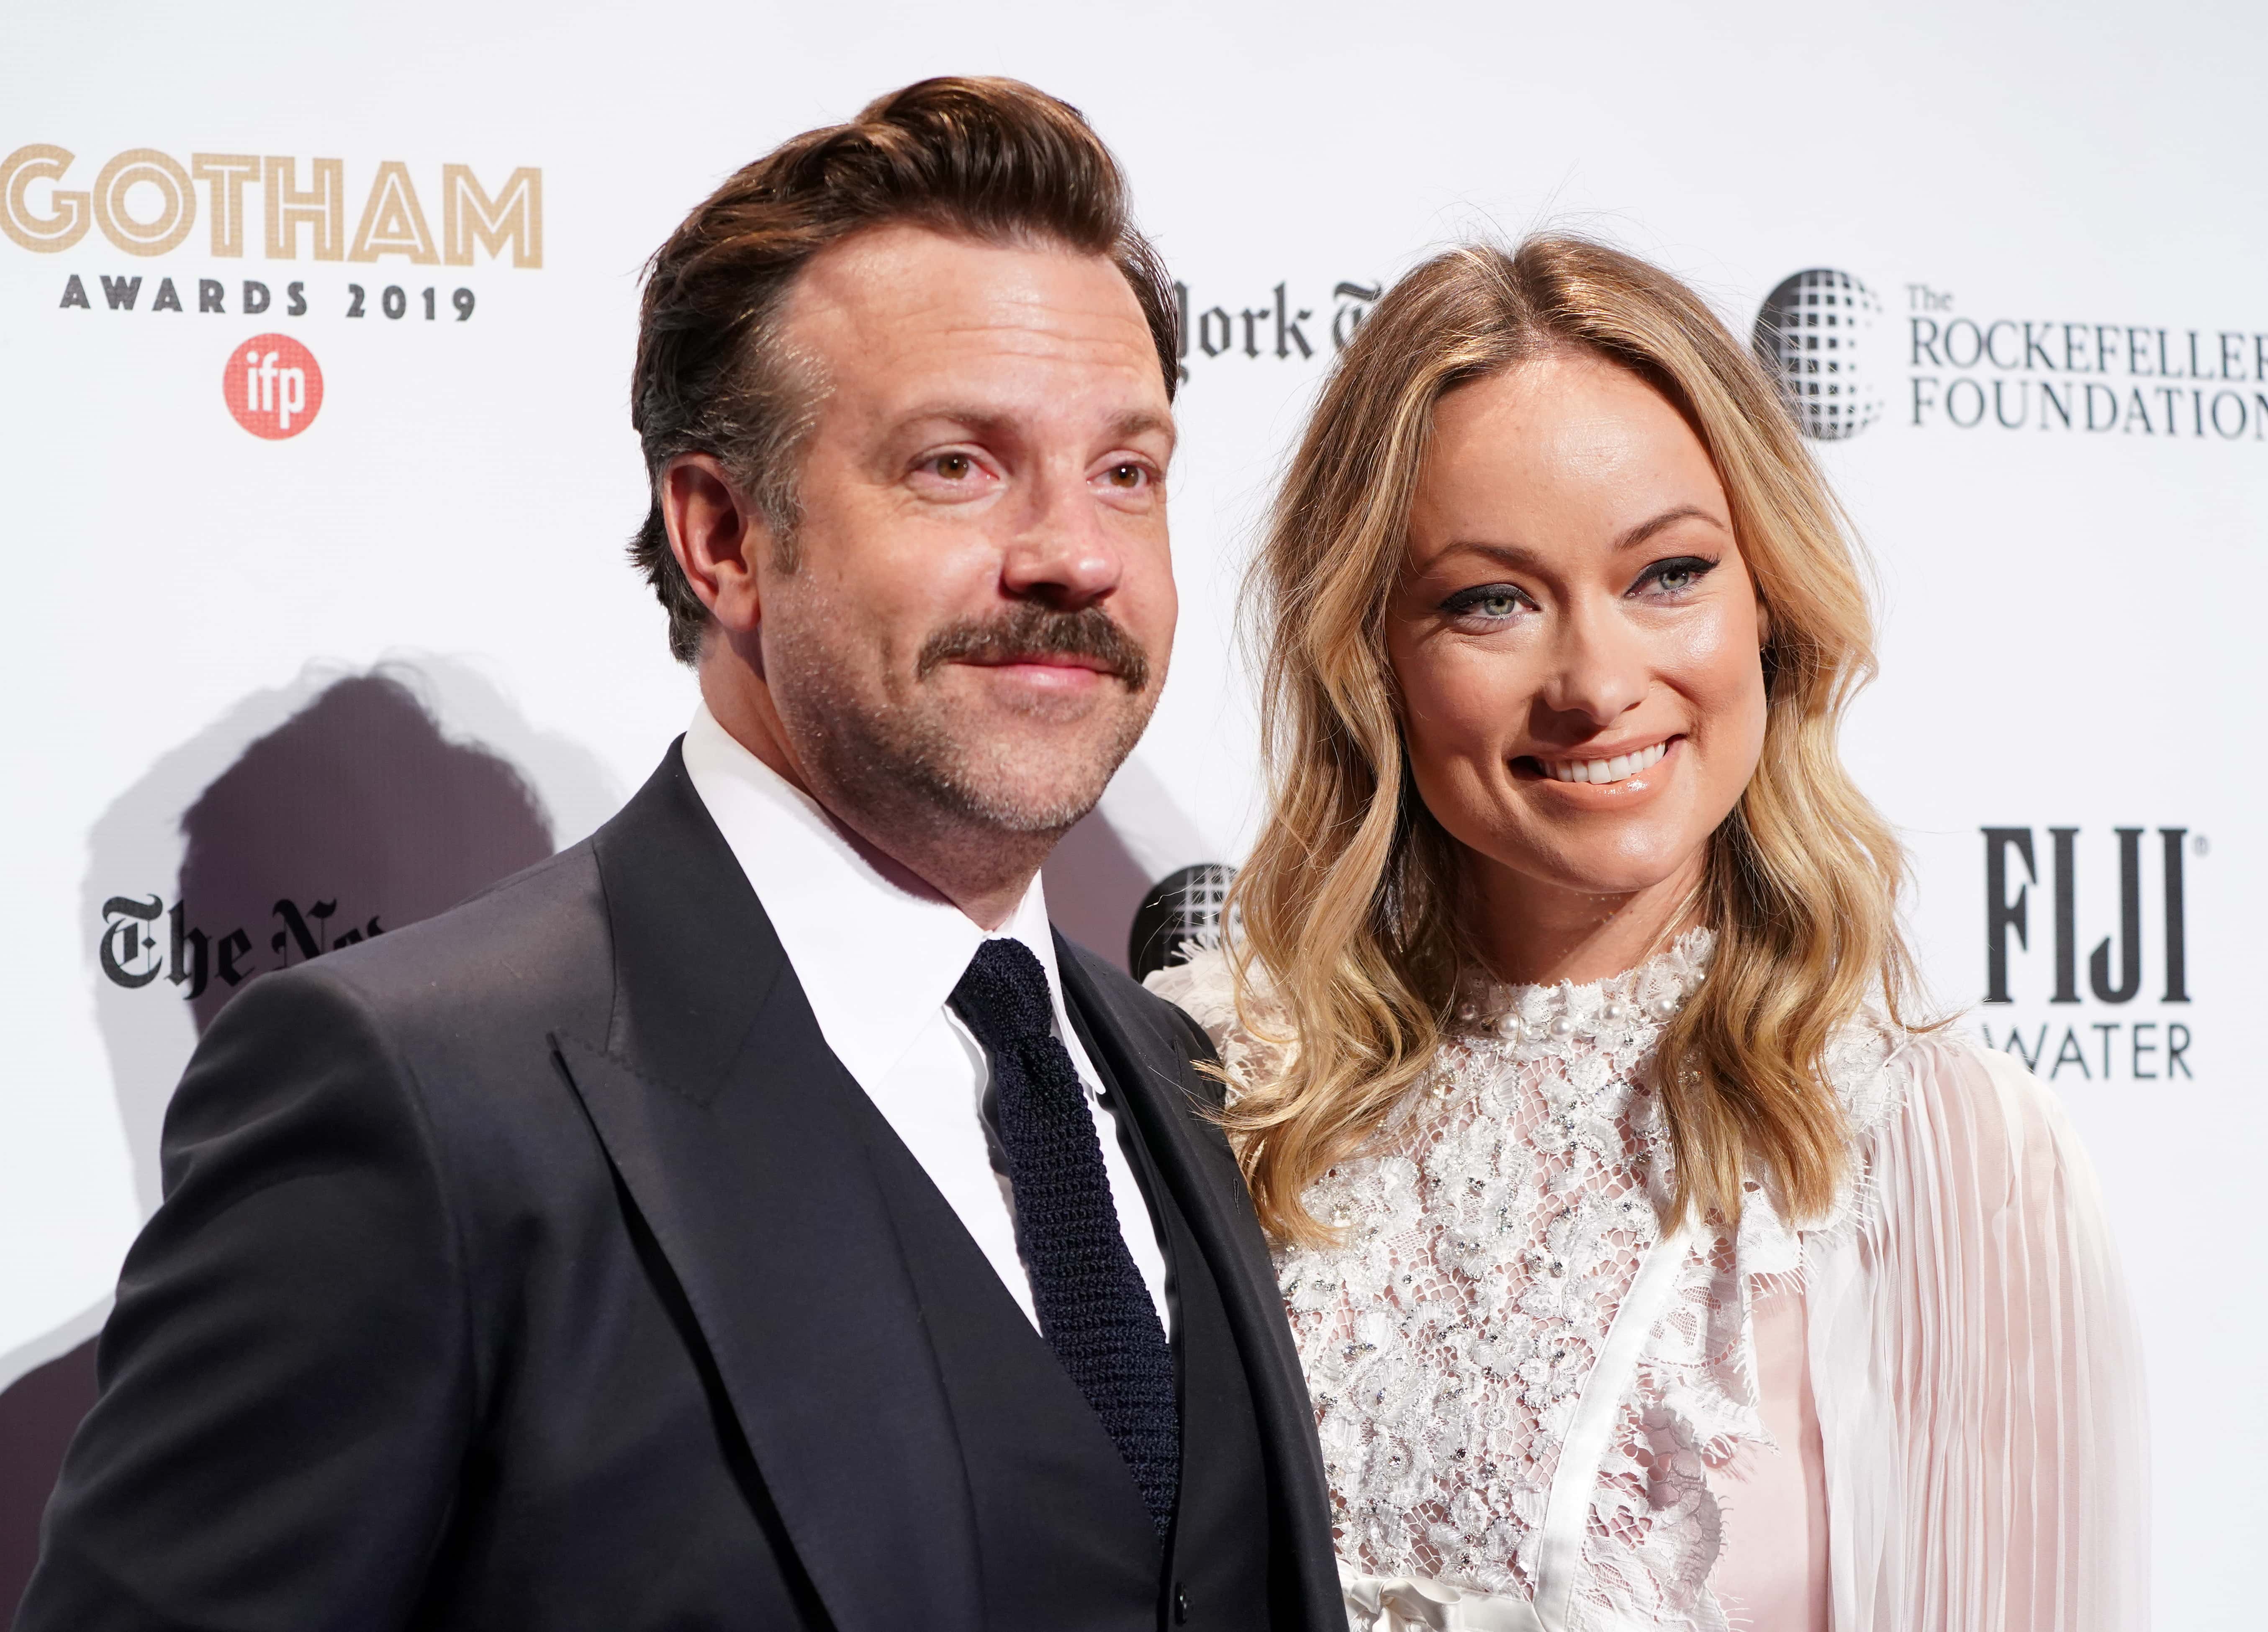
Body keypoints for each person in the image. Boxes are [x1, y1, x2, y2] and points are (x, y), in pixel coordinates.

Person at [20, 78, 1340, 1632]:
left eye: (1128, 469)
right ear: (721, 537)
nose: (1078, 552)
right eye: (956, 465)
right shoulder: (422, 1104)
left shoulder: (1177, 1071)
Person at [1149, 236, 2147, 1632]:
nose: (1597, 681)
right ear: (1370, 654)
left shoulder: (1940, 1159)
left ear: (1769, 608)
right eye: (1488, 599)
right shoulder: (1207, 1083)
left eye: (1667, 574)